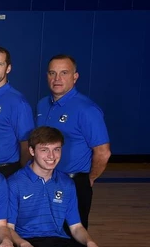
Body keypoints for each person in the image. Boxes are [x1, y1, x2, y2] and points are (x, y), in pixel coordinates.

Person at [36, 55, 110, 227]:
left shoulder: (87, 109)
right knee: (44, 233)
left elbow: (103, 153)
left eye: (64, 73)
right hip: (44, 181)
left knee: (73, 235)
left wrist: (88, 179)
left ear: (75, 77)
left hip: (73, 183)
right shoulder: (42, 105)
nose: (57, 79)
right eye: (52, 73)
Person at [0, 46, 34, 177]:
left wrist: (23, 178)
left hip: (6, 172)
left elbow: (26, 144)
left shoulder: (18, 102)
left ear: (8, 68)